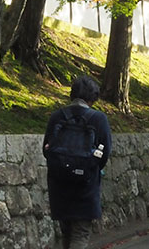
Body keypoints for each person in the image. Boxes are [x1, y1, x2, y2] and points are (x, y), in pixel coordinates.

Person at [43, 76, 112, 249]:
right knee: (81, 233)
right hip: (85, 186)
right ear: (92, 98)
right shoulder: (98, 119)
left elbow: (46, 150)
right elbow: (105, 154)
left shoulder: (57, 117)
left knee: (67, 232)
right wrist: (89, 167)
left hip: (59, 185)